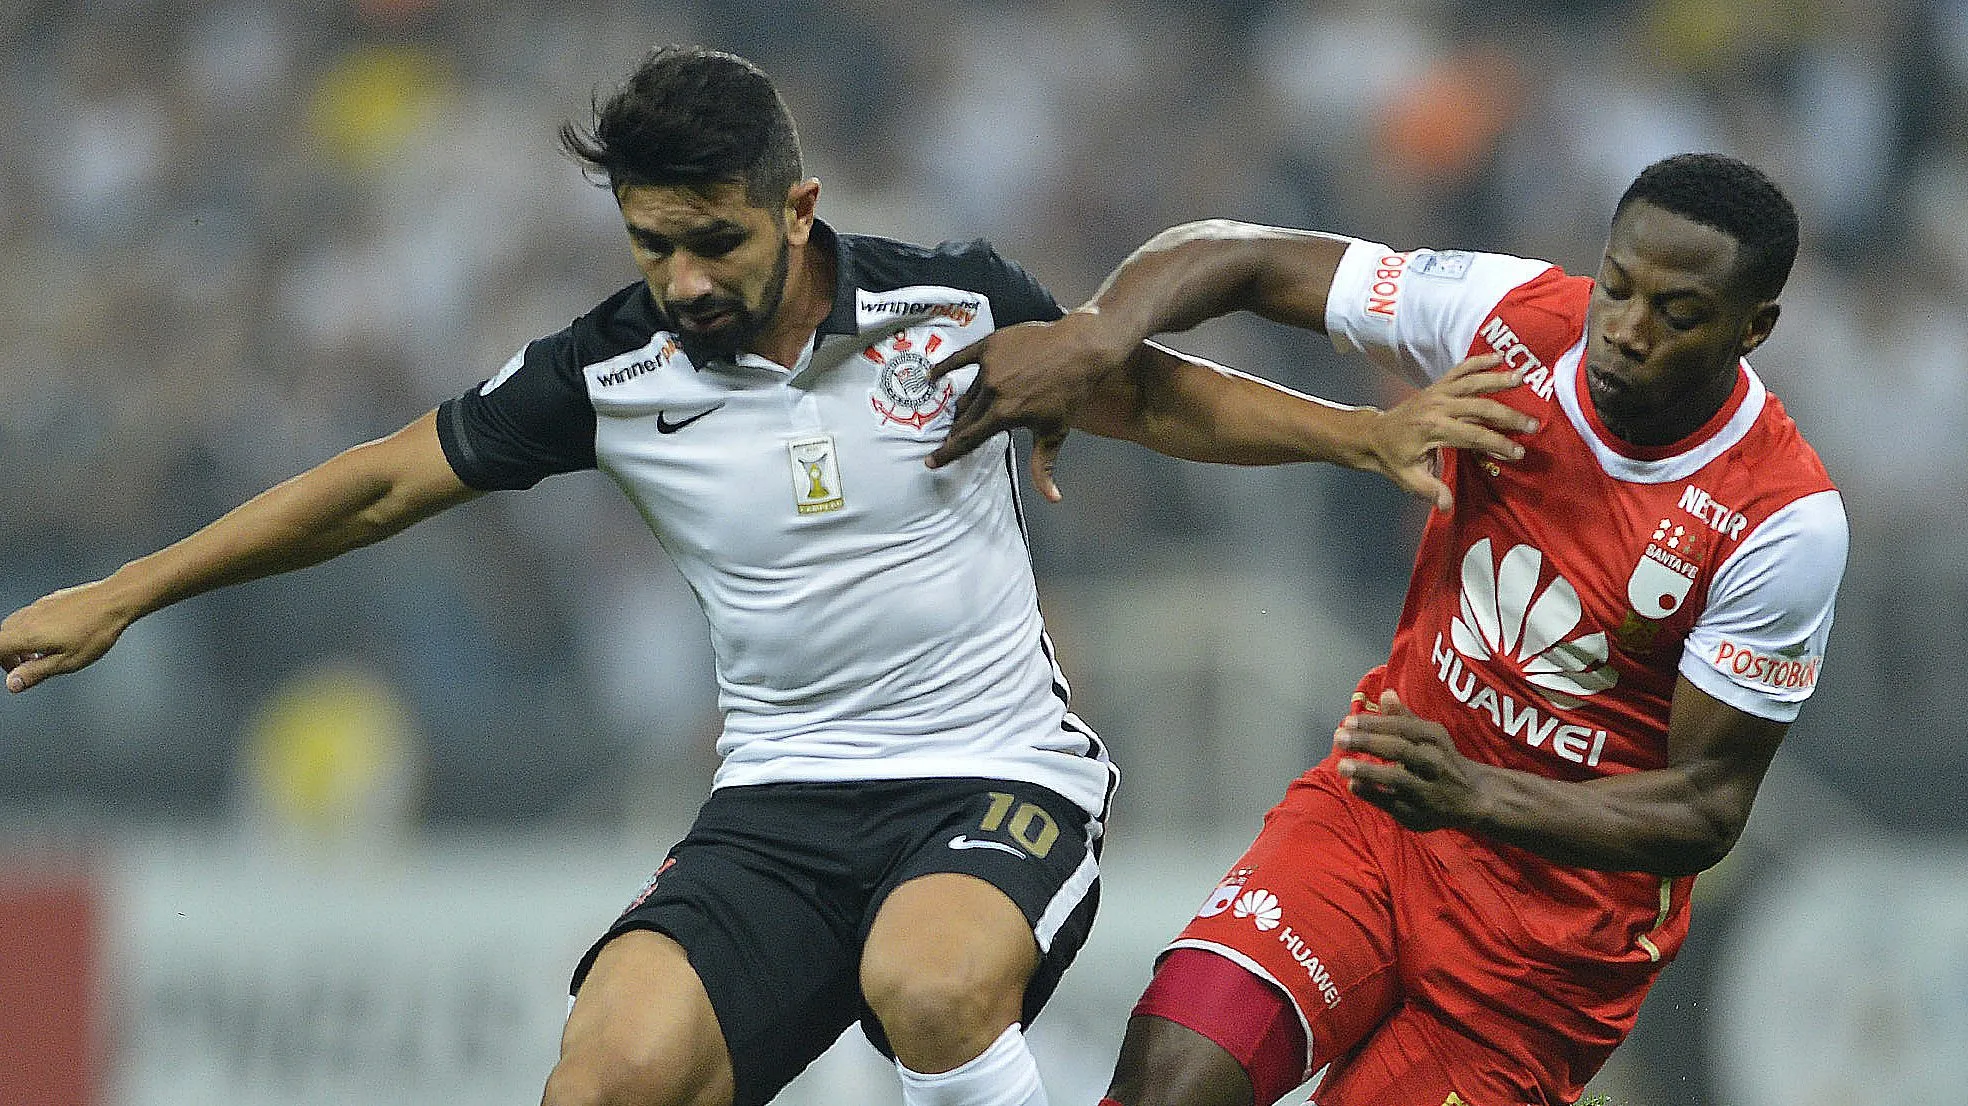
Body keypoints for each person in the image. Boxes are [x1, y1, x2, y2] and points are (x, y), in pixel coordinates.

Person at [0, 46, 1534, 1106]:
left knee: (932, 985)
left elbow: (1141, 395)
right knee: (607, 1069)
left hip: (996, 774)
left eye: (712, 241)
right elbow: (389, 479)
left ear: (796, 207)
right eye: (652, 242)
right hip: (779, 803)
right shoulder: (608, 367)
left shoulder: (952, 306)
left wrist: (1360, 438)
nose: (681, 279)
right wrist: (131, 588)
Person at [924, 152, 1848, 1106]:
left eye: (1678, 314)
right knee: (1168, 1085)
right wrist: (1095, 333)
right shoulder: (1513, 321)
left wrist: (1473, 792)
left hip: (1545, 954)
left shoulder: (1782, 521)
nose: (1626, 330)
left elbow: (1704, 810)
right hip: (1375, 824)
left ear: (1754, 327)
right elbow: (1244, 256)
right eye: (1617, 287)